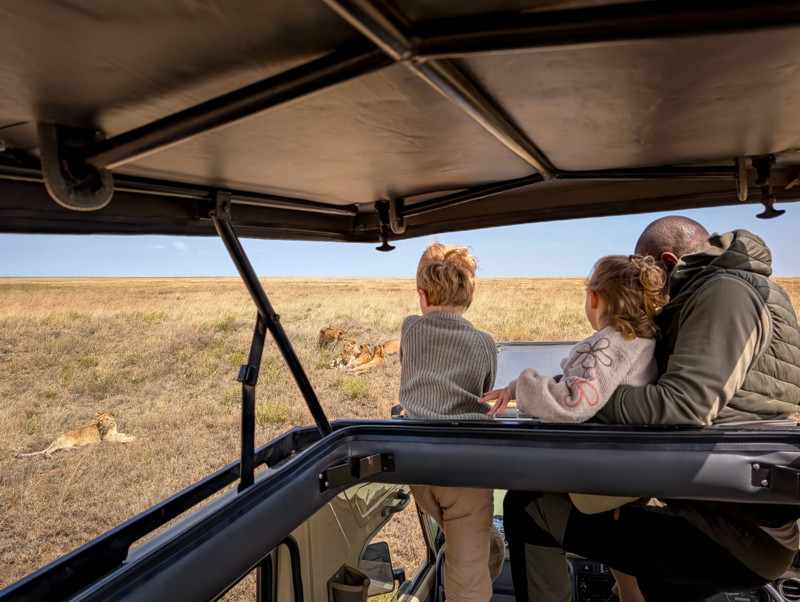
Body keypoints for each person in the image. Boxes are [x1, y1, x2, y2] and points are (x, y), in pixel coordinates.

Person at [501, 216, 800, 602]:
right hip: (718, 507)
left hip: (730, 529)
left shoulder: (725, 293)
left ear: (670, 263)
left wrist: (582, 401)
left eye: (647, 276)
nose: (643, 291)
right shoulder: (717, 294)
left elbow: (684, 405)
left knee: (528, 505)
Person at [479, 254, 668, 602]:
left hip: (601, 482)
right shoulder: (642, 343)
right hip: (633, 480)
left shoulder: (604, 345)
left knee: (522, 504)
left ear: (594, 298)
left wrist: (523, 385)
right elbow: (592, 388)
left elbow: (574, 402)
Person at [399, 241, 505, 602]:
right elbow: (486, 388)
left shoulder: (410, 329)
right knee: (468, 575)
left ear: (423, 296)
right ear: (471, 294)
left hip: (417, 467)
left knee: (462, 535)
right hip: (467, 472)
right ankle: (488, 551)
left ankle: (488, 545)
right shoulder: (485, 343)